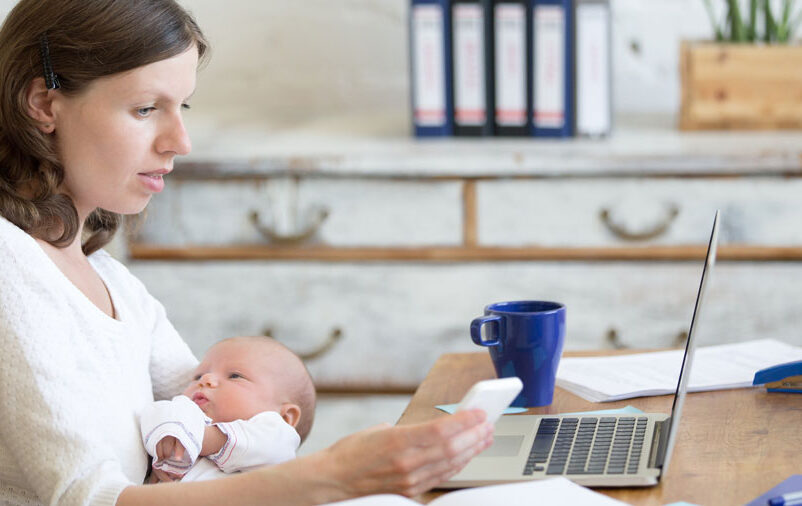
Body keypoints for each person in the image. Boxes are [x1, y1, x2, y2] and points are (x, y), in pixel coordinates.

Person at [0, 1, 493, 505]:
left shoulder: (114, 285)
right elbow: (89, 499)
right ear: (43, 104)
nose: (181, 141)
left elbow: (225, 419)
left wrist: (363, 456)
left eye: (182, 107)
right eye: (146, 108)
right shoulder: (10, 266)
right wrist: (333, 476)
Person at [141, 336, 316, 483]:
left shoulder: (277, 437)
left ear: (286, 418)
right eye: (198, 376)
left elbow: (276, 446)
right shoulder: (185, 412)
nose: (206, 379)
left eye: (234, 376)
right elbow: (158, 413)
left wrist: (201, 437)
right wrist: (167, 436)